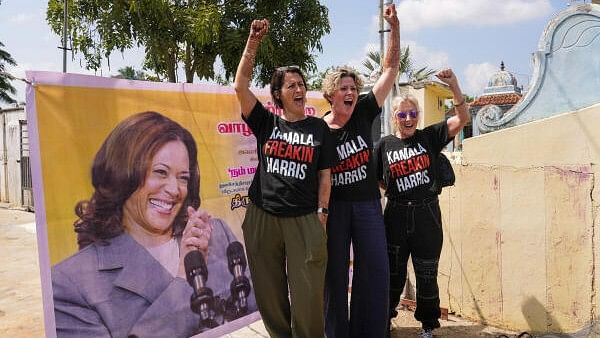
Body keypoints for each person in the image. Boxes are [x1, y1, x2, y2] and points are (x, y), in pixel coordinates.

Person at [51, 111, 256, 338]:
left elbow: (254, 313)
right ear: (123, 173)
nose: (174, 189)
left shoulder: (217, 234)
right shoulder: (69, 284)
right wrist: (183, 280)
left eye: (183, 177)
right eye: (160, 172)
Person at [233, 19, 335, 338]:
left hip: (304, 220)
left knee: (307, 298)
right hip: (263, 216)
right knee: (270, 294)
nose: (299, 89)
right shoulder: (266, 123)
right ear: (278, 94)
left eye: (301, 83)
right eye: (290, 85)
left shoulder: (319, 129)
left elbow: (325, 175)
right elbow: (240, 85)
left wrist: (322, 212)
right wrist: (252, 43)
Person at [320, 4, 399, 338]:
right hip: (335, 209)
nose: (351, 92)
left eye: (354, 88)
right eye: (344, 88)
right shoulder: (319, 129)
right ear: (331, 94)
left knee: (375, 271)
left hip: (367, 205)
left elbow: (390, 68)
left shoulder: (366, 111)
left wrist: (395, 27)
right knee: (334, 276)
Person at [374, 69, 470, 338]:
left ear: (418, 116)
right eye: (402, 114)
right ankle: (385, 321)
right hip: (395, 214)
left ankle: (428, 326)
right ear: (394, 118)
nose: (408, 118)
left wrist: (454, 84)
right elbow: (379, 180)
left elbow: (463, 118)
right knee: (393, 275)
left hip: (427, 214)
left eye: (412, 113)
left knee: (427, 275)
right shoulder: (384, 145)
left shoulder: (429, 137)